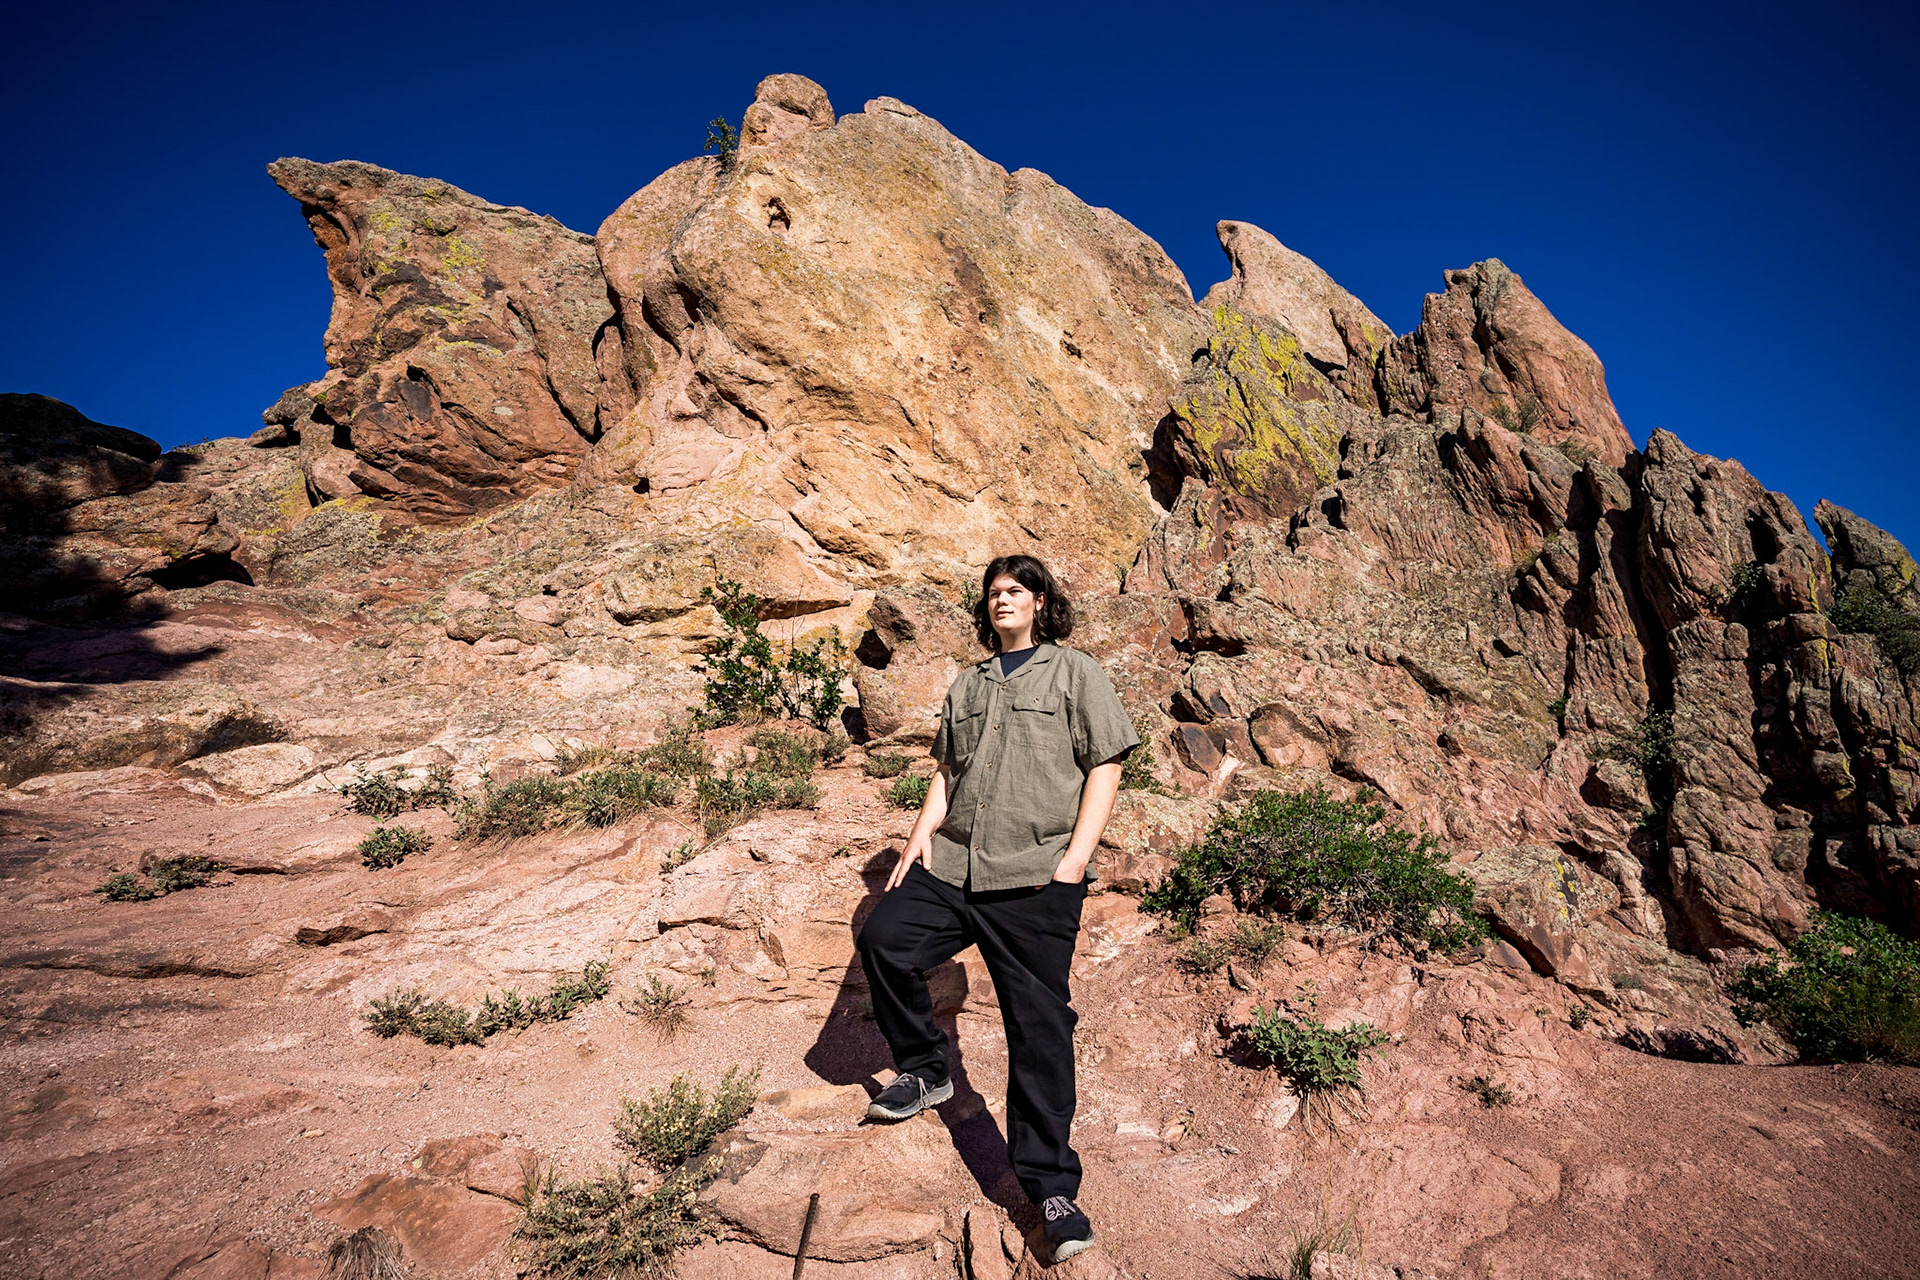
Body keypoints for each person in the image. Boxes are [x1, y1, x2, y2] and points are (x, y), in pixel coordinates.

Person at [854, 554, 1140, 1264]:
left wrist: (1074, 862)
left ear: (1041, 602)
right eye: (993, 594)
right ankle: (927, 1067)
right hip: (954, 866)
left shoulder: (1076, 672)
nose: (1001, 601)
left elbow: (1106, 763)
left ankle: (1052, 1191)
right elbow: (948, 772)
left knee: (1039, 1031)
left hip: (1036, 876)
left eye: (1015, 591)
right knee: (885, 936)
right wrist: (918, 838)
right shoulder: (969, 683)